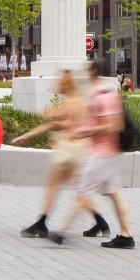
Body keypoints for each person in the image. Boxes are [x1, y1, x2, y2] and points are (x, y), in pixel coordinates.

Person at [8, 67, 88, 244]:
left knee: (60, 188)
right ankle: (46, 224)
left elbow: (66, 123)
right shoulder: (77, 100)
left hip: (70, 151)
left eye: (60, 81)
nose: (57, 84)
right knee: (64, 188)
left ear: (66, 83)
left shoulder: (72, 101)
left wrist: (29, 135)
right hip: (76, 150)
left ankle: (53, 227)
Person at [61, 77, 135, 249]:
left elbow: (113, 126)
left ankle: (61, 232)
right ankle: (126, 235)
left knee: (82, 192)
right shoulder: (105, 94)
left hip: (103, 154)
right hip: (106, 152)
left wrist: (87, 131)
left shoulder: (104, 97)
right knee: (115, 194)